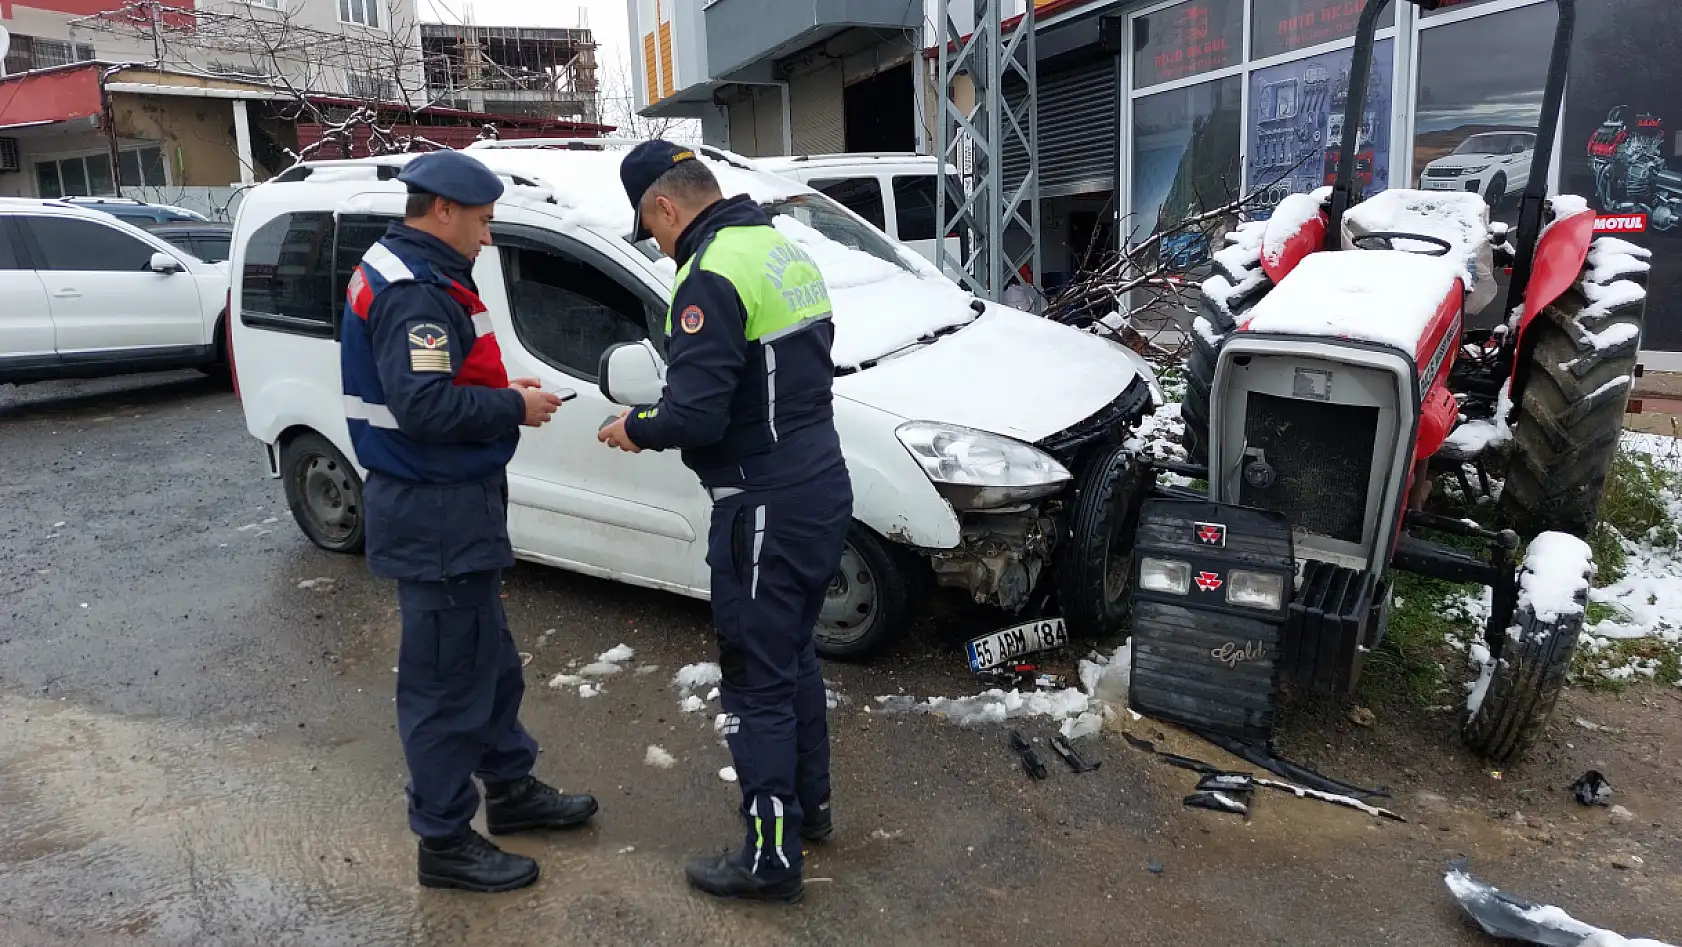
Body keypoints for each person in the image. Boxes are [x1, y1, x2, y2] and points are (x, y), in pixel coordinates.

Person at [339, 149, 599, 894]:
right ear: (443, 210)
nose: (488, 237)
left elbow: (435, 385)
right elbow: (424, 408)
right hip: (434, 510)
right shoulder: (414, 292)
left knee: (488, 662)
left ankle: (510, 789)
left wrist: (499, 390)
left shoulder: (417, 269)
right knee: (447, 682)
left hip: (449, 501)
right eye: (482, 222)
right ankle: (445, 840)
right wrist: (514, 405)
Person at [602, 140, 853, 904]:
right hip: (819, 483)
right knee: (791, 656)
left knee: (755, 681)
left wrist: (635, 426)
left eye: (654, 230)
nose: (660, 246)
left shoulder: (708, 273)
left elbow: (697, 413)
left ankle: (770, 859)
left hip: (762, 504)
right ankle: (808, 809)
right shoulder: (779, 251)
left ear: (665, 206)